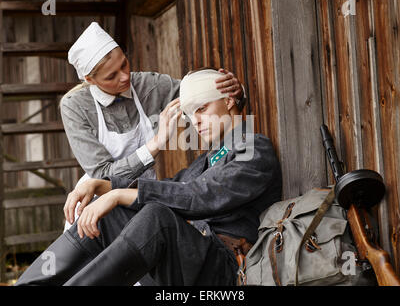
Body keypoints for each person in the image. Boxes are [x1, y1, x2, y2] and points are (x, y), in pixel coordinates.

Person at [15, 69, 282, 286]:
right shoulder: (209, 158)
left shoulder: (253, 148)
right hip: (189, 261)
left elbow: (201, 196)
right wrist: (101, 185)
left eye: (202, 108)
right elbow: (170, 187)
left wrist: (118, 195)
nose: (196, 121)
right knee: (111, 215)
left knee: (157, 217)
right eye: (191, 115)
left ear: (228, 100)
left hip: (224, 270)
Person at [61, 22, 246, 229]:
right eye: (111, 76)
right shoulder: (74, 107)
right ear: (90, 80)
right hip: (97, 196)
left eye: (124, 64)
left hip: (145, 195)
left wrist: (235, 92)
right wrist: (157, 143)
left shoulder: (149, 85)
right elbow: (102, 173)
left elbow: (205, 98)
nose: (124, 77)